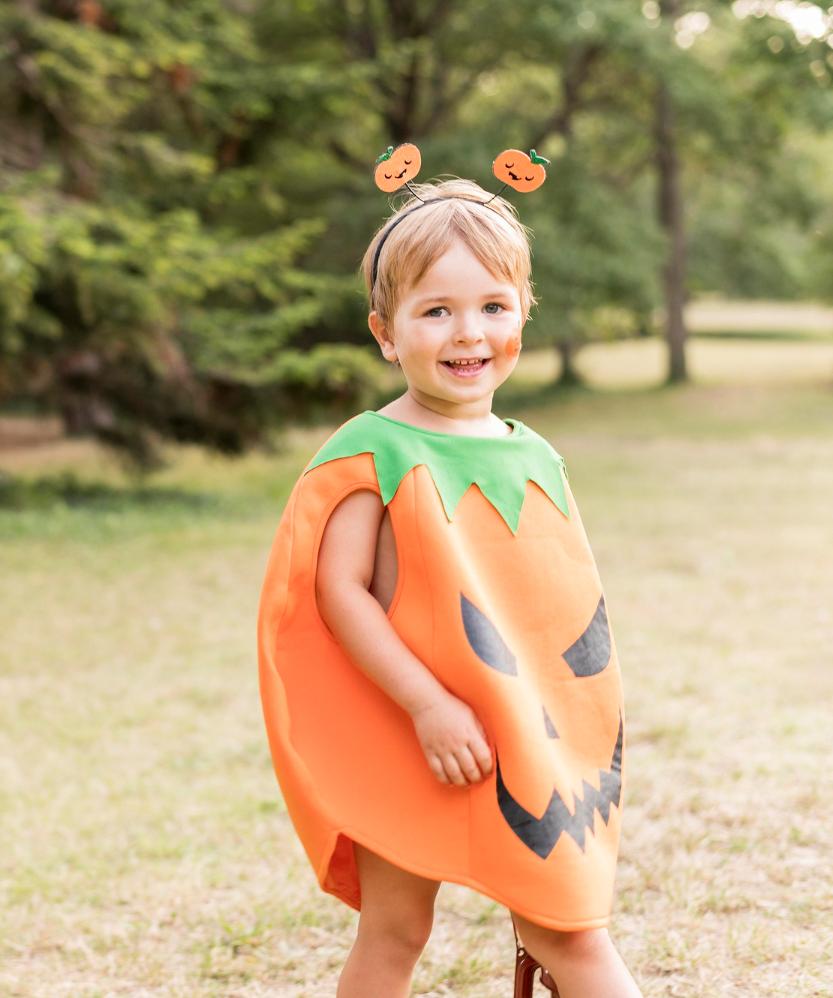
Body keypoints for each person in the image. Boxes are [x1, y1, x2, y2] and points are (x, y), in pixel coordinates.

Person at [257, 174, 642, 997]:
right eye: (436, 311)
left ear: (523, 315)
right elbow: (340, 591)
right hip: (415, 730)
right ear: (385, 333)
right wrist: (428, 704)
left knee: (570, 931)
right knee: (396, 930)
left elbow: (552, 605)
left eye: (494, 307)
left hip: (523, 734)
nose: (468, 333)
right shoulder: (376, 450)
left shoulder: (532, 454)